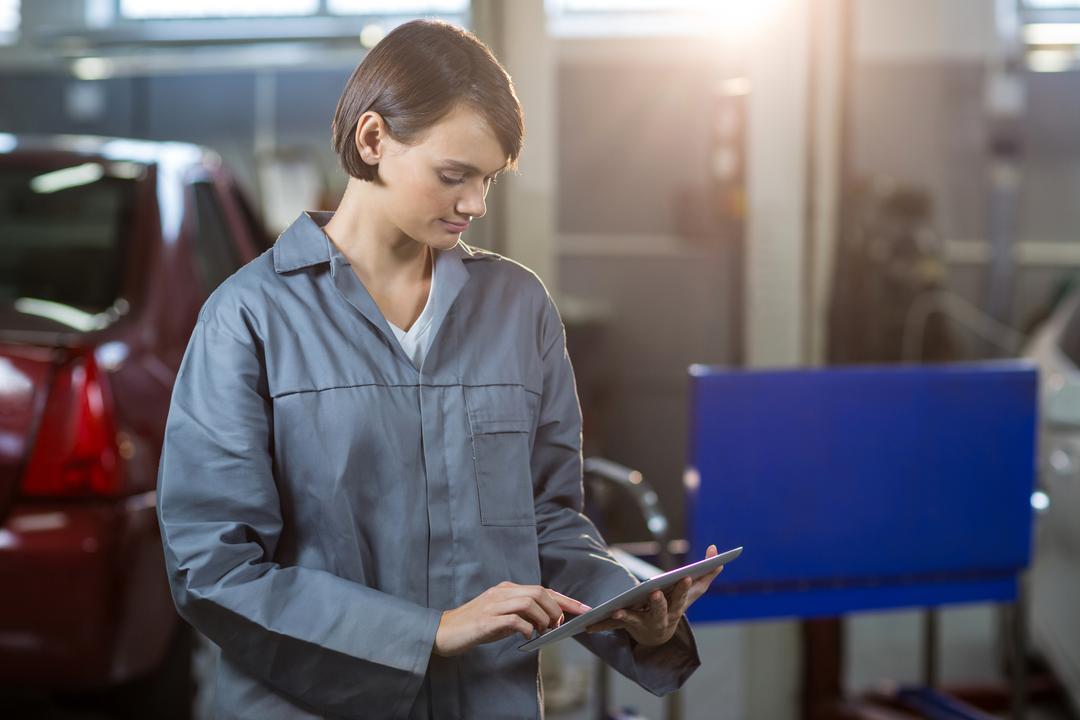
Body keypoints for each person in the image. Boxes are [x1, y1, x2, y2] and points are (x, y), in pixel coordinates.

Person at [156, 19, 723, 720]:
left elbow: (547, 518)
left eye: (486, 179)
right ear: (372, 141)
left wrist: (625, 600)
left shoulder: (517, 308)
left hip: (488, 702)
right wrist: (428, 632)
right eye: (454, 175)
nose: (476, 205)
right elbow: (214, 571)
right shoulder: (248, 319)